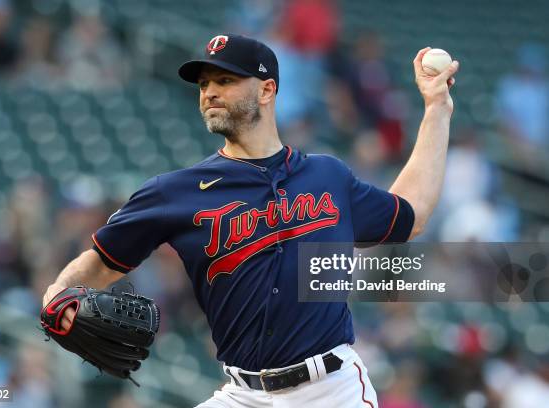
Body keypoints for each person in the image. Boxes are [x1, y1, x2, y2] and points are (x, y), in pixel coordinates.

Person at [42, 34, 459, 407]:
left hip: (331, 390)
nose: (209, 93)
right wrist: (57, 293)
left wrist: (436, 107)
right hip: (242, 394)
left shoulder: (327, 176)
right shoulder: (175, 191)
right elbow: (100, 261)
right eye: (204, 84)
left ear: (267, 89)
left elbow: (411, 214)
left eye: (224, 81)